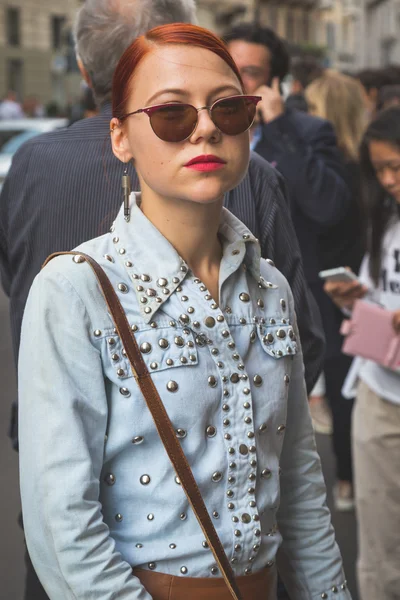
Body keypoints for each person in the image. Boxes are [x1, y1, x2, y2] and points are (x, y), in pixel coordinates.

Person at [0, 2, 323, 598]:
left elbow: (300, 488)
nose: (205, 128)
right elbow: (65, 528)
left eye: (228, 107)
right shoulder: (74, 289)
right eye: (171, 113)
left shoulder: (271, 287)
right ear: (120, 136)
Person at [224, 25, 350, 436]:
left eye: (251, 72)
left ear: (274, 81)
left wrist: (277, 126)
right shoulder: (204, 131)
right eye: (230, 67)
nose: (236, 81)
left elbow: (328, 206)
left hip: (289, 303)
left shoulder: (308, 132)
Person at [325, 107, 400, 600]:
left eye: (398, 166)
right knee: (378, 554)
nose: (389, 180)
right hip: (378, 391)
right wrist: (359, 297)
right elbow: (382, 288)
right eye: (380, 170)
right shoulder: (387, 220)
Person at [305, 71, 367, 510]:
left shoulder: (318, 171)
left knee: (342, 381)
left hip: (328, 287)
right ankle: (352, 476)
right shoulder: (370, 165)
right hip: (364, 285)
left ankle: (347, 479)